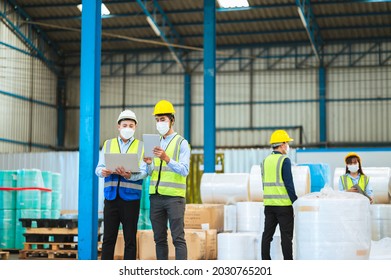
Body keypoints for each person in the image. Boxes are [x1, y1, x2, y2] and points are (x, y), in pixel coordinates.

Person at [95, 109, 148, 260]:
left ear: (135, 127)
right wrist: (103, 172)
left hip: (131, 199)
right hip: (111, 198)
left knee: (130, 240)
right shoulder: (108, 144)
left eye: (131, 125)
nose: (128, 128)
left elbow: (144, 172)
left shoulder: (141, 146)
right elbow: (98, 168)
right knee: (108, 239)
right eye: (125, 125)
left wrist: (130, 175)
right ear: (118, 126)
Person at [143, 100, 191, 260]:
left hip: (174, 198)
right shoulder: (153, 142)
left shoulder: (182, 143)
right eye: (157, 120)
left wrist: (166, 158)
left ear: (171, 120)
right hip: (155, 197)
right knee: (159, 239)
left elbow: (184, 170)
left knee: (178, 238)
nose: (159, 123)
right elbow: (151, 172)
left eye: (162, 119)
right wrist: (148, 164)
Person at [261, 130, 297, 260]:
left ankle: (266, 262)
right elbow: (289, 184)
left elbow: (264, 183)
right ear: (281, 145)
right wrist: (296, 203)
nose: (287, 146)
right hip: (284, 206)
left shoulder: (265, 161)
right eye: (286, 143)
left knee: (267, 236)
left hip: (269, 205)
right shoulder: (284, 160)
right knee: (286, 237)